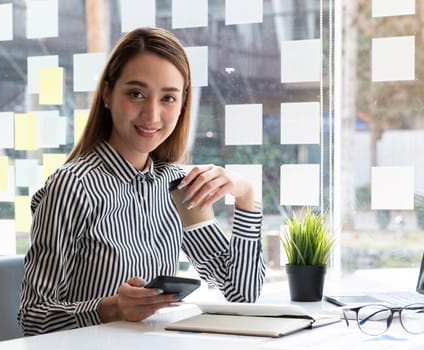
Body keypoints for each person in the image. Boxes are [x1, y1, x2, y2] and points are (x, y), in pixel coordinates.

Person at [18, 27, 265, 336]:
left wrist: (246, 196)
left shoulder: (178, 186)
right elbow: (33, 316)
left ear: (182, 104)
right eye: (136, 94)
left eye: (168, 98)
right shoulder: (71, 186)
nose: (152, 114)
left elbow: (242, 293)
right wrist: (111, 308)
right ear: (108, 95)